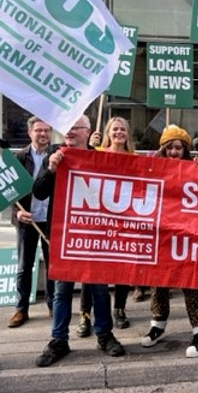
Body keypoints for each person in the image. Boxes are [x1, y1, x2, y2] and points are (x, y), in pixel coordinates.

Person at [34, 116, 125, 367]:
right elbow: (39, 192)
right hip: (64, 235)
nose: (70, 131)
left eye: (76, 127)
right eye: (67, 128)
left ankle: (104, 335)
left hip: (93, 234)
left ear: (88, 132)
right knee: (62, 290)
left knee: (99, 288)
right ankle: (58, 340)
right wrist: (51, 170)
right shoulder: (54, 156)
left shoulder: (100, 158)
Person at [142, 124, 198, 358]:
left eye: (178, 148)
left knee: (191, 281)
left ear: (186, 150)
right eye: (169, 148)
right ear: (162, 149)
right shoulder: (152, 169)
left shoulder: (194, 168)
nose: (174, 152)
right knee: (158, 280)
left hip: (188, 235)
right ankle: (158, 325)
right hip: (161, 234)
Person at [79, 117, 138, 332]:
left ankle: (119, 309)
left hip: (124, 219)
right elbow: (83, 169)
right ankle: (85, 313)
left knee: (122, 266)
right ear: (107, 133)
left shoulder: (134, 159)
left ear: (128, 134)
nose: (119, 133)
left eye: (123, 129)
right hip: (99, 219)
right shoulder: (98, 154)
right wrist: (88, 147)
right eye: (115, 129)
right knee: (92, 267)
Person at [8, 117, 54, 329]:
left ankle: (54, 306)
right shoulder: (19, 158)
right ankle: (21, 309)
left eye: (46, 130)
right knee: (24, 266)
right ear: (30, 133)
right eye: (38, 130)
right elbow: (8, 192)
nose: (42, 134)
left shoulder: (57, 155)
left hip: (51, 220)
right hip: (28, 220)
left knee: (53, 266)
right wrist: (17, 213)